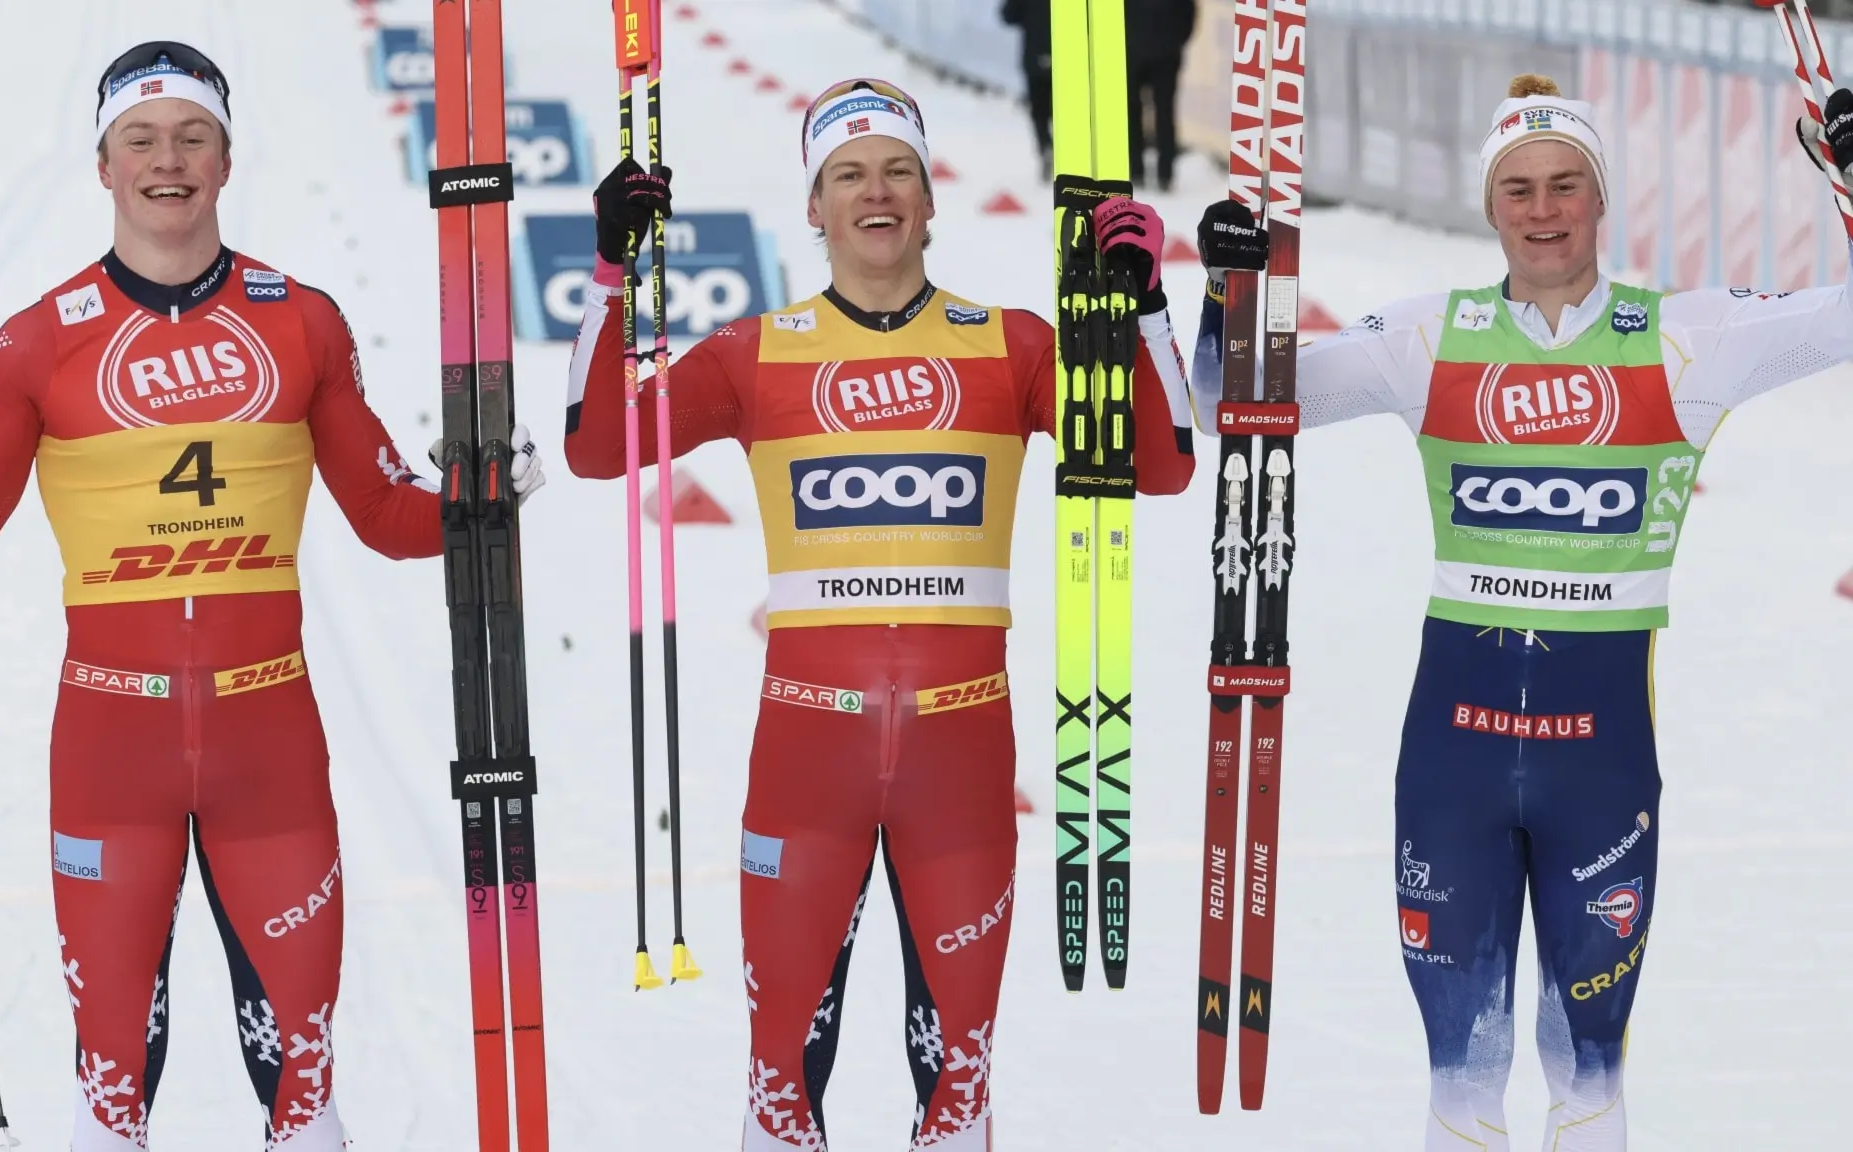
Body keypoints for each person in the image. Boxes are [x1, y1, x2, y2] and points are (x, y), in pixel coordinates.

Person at [0, 42, 542, 1150]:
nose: (169, 162)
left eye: (191, 137)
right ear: (102, 164)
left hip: (270, 741)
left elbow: (392, 518)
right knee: (108, 1090)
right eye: (141, 140)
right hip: (113, 745)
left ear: (227, 157)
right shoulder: (36, 343)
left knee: (305, 1080)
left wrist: (480, 491)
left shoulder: (301, 320)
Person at [1188, 74, 1853, 1150]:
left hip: (1599, 768)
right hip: (1451, 761)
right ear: (1488, 208)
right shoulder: (1429, 340)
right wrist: (1230, 286)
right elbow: (1230, 402)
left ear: (1598, 200)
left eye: (1563, 186)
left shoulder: (1687, 336)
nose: (1542, 212)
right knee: (1461, 1076)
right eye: (1517, 191)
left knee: (1585, 1069)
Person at [563, 80, 1196, 1149]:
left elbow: (1163, 463)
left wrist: (1137, 310)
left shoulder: (1012, 345)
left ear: (928, 194)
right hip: (807, 765)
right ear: (813, 205)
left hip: (960, 767)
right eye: (847, 173)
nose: (876, 192)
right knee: (778, 1085)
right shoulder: (755, 353)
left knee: (959, 1087)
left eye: (897, 168)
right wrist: (613, 273)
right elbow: (594, 446)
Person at [1127, 0, 1197, 192]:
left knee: (1162, 112)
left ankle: (1162, 173)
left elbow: (1188, 15)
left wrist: (1175, 44)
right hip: (1137, 54)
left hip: (1162, 56)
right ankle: (1138, 170)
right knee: (1135, 112)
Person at [999, 0, 1054, 178]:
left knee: (1039, 111)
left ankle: (1046, 145)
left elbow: (1008, 16)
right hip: (1067, 57)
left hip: (1034, 56)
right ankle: (1063, 152)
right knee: (1065, 111)